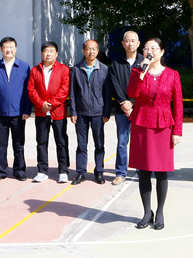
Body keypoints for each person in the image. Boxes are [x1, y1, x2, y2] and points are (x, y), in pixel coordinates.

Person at [128, 38, 183, 230]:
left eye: (153, 48)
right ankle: (146, 212)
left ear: (162, 52)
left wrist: (177, 131)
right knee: (143, 171)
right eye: (146, 48)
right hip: (141, 125)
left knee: (161, 171)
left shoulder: (172, 75)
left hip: (163, 126)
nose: (149, 51)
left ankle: (159, 212)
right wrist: (141, 73)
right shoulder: (137, 72)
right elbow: (132, 93)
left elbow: (178, 105)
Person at [0, 37, 32, 182]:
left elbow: (28, 90)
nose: (8, 50)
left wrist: (27, 110)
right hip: (0, 114)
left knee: (18, 144)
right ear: (1, 49)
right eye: (5, 47)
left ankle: (19, 170)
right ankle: (1, 171)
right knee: (0, 144)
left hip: (18, 113)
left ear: (15, 49)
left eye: (11, 47)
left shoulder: (24, 67)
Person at [69, 39, 111, 185]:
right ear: (83, 51)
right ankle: (81, 172)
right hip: (81, 113)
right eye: (88, 49)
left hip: (98, 113)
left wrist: (106, 112)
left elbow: (107, 93)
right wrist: (73, 111)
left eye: (94, 49)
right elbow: (72, 93)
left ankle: (99, 171)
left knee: (99, 144)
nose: (91, 51)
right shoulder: (76, 69)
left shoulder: (104, 69)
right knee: (81, 145)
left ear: (97, 51)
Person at [28, 41, 71, 183]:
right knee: (41, 142)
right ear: (42, 53)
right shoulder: (35, 70)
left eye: (52, 51)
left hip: (58, 112)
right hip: (41, 112)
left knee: (61, 141)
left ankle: (63, 170)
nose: (48, 53)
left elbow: (64, 90)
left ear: (56, 54)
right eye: (46, 51)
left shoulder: (63, 69)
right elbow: (31, 90)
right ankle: (42, 170)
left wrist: (51, 104)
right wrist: (41, 104)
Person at [108, 31, 143, 186]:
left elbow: (145, 85)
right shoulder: (116, 64)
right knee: (122, 142)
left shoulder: (144, 62)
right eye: (127, 41)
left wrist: (133, 103)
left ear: (138, 43)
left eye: (133, 41)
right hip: (122, 110)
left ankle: (142, 170)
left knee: (140, 141)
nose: (130, 44)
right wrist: (124, 103)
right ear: (123, 44)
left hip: (140, 109)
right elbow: (114, 85)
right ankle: (121, 173)